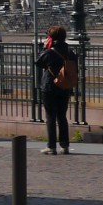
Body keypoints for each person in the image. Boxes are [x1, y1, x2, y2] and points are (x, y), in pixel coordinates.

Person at [36, 25, 78, 155]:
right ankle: (65, 146)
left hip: (49, 86)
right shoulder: (69, 52)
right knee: (62, 116)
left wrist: (44, 48)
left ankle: (51, 146)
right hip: (64, 86)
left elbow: (38, 62)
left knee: (50, 117)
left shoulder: (50, 51)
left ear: (51, 38)